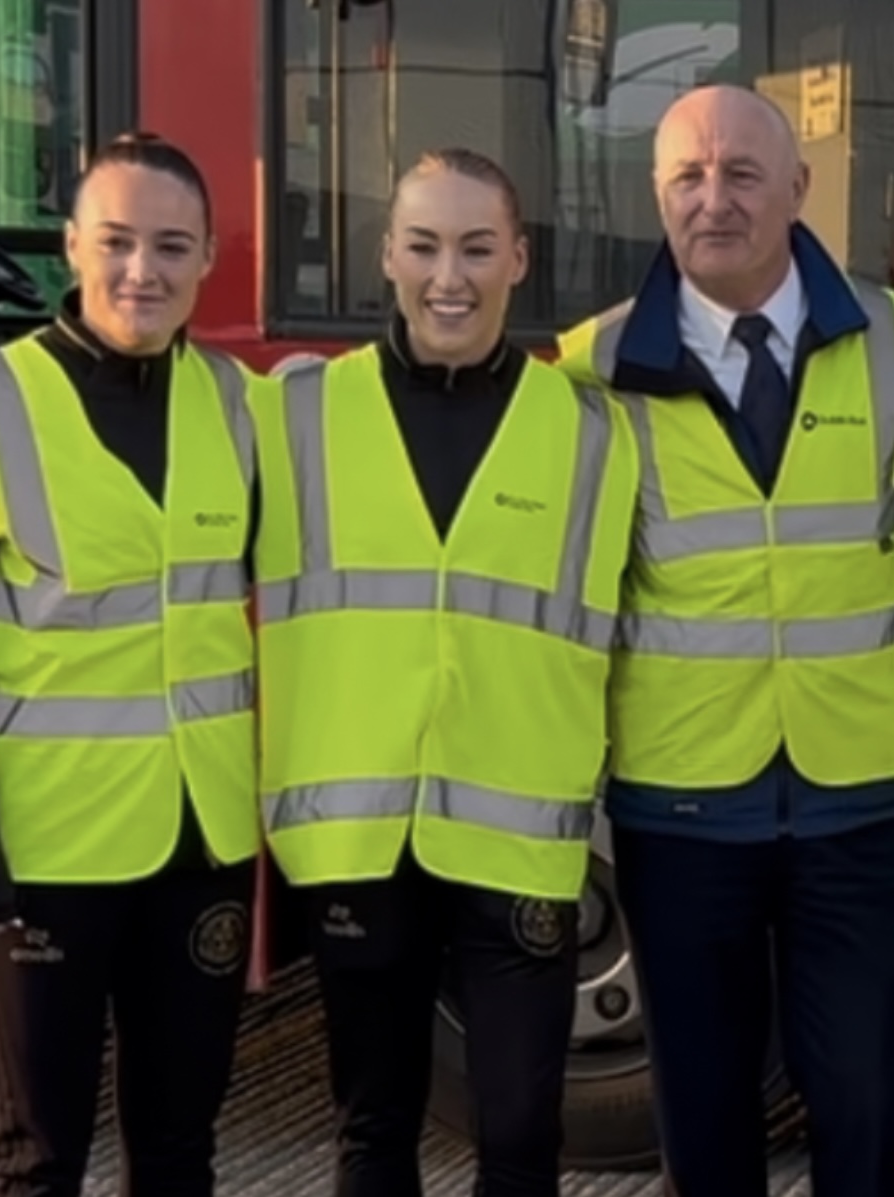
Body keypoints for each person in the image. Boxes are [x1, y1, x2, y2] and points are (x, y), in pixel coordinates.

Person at [554, 83, 894, 1197]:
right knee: (705, 1124)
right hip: (681, 809)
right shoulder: (593, 370)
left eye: (740, 174)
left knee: (870, 1113)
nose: (712, 199)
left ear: (798, 189)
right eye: (687, 175)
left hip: (859, 802)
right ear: (656, 193)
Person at [249, 147, 638, 1197]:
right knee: (372, 1133)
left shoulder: (598, 433)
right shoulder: (289, 418)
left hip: (523, 844)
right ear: (387, 255)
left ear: (519, 258)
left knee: (520, 1134)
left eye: (476, 247)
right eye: (423, 246)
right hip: (358, 839)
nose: (448, 276)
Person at [0, 131, 261, 1197]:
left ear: (206, 261)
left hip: (203, 844)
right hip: (42, 856)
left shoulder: (242, 407)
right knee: (37, 1158)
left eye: (170, 246)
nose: (141, 271)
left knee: (183, 1150)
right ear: (70, 246)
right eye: (115, 241)